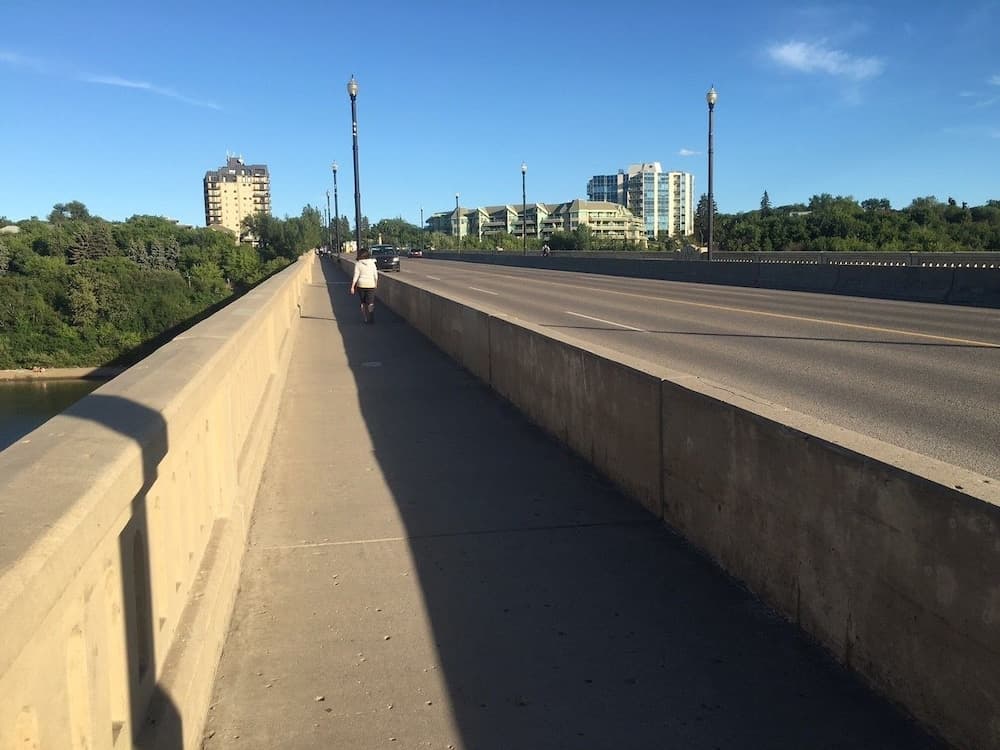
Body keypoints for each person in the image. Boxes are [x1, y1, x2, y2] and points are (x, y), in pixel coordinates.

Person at [350, 248, 379, 324]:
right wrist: (376, 283)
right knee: (370, 303)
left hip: (361, 285)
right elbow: (375, 275)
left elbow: (356, 276)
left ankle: (365, 318)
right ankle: (371, 316)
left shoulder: (358, 264)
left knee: (363, 302)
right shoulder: (372, 263)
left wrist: (352, 286)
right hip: (371, 284)